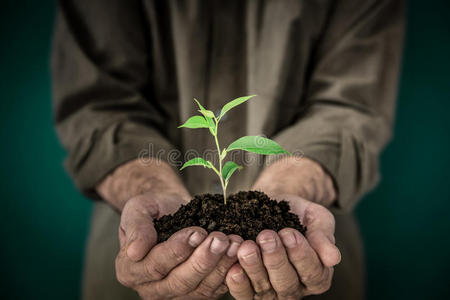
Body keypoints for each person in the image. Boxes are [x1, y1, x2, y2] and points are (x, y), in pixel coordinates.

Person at [52, 0, 404, 299]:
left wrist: (291, 186)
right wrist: (148, 187)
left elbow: (351, 108)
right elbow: (97, 104)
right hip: (139, 266)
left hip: (304, 258)